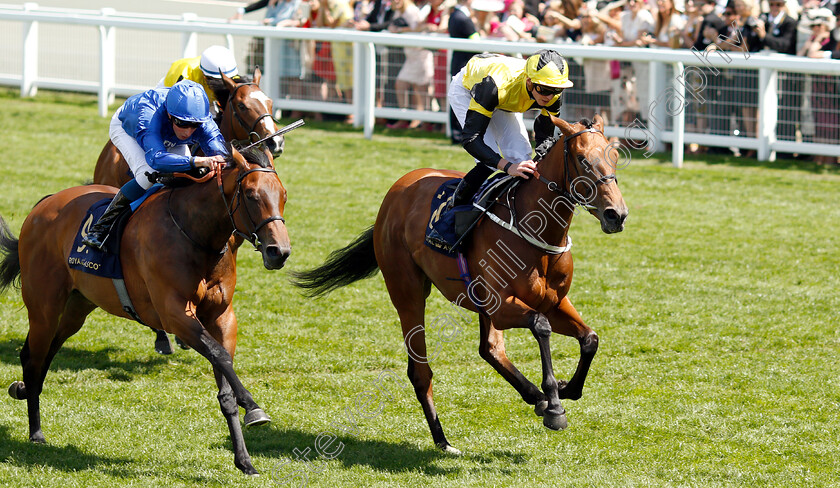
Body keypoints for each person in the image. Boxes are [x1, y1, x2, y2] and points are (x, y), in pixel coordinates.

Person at [83, 80, 228, 249]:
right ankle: (100, 228)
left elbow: (222, 154)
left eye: (195, 125)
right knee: (147, 174)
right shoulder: (149, 114)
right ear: (169, 115)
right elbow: (156, 159)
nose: (188, 131)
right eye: (182, 123)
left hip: (169, 135)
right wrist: (197, 160)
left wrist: (221, 160)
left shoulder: (202, 121)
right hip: (128, 129)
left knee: (190, 176)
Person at [447, 49, 574, 221]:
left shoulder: (552, 93)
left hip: (505, 98)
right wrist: (507, 167)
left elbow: (544, 133)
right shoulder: (494, 87)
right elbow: (471, 139)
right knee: (489, 163)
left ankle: (513, 212)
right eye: (544, 89)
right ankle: (450, 211)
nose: (550, 96)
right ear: (529, 82)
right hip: (469, 89)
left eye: (556, 89)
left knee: (522, 159)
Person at [159, 45, 239, 121]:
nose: (222, 85)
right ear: (205, 75)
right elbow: (177, 106)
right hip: (169, 90)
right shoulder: (187, 75)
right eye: (218, 81)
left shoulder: (231, 75)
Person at [447, 0, 480, 143]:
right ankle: (459, 135)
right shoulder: (463, 18)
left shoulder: (454, 15)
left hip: (458, 62)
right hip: (465, 65)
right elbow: (476, 40)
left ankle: (457, 134)